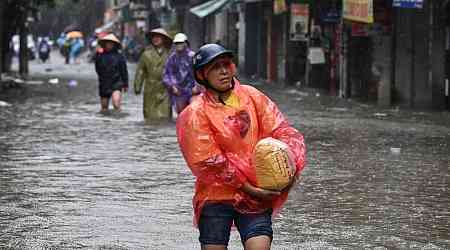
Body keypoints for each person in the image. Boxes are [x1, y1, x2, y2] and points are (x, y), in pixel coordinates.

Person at [176, 44, 306, 250]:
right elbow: (208, 161)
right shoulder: (195, 113)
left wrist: (290, 169)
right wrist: (249, 187)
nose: (224, 71)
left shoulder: (252, 96)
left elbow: (282, 130)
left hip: (256, 194)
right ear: (202, 74)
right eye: (215, 67)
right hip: (215, 197)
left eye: (226, 64)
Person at [133, 28, 172, 122]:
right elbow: (140, 72)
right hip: (150, 89)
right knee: (149, 116)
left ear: (164, 39)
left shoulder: (170, 54)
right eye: (154, 37)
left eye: (159, 37)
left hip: (165, 89)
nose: (156, 39)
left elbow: (175, 71)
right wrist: (137, 86)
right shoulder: (146, 54)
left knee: (165, 115)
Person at [162, 33, 200, 115]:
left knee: (194, 111)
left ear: (185, 43)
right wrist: (172, 86)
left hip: (193, 90)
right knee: (181, 114)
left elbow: (200, 72)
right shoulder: (172, 58)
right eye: (176, 43)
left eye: (180, 43)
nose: (178, 45)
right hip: (179, 92)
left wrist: (197, 86)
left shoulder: (193, 56)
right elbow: (167, 74)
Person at [94, 34, 129, 112]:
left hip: (116, 82)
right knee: (104, 108)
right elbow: (97, 69)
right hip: (104, 83)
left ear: (115, 45)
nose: (109, 45)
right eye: (108, 43)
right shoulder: (100, 56)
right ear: (105, 44)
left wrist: (125, 84)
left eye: (111, 43)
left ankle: (118, 120)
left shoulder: (120, 57)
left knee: (116, 104)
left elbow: (124, 70)